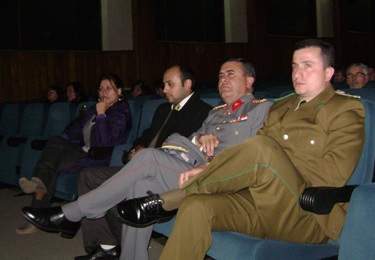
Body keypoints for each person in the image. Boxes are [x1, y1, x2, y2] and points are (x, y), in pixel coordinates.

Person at [117, 39, 365, 259]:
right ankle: (183, 197)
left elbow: (331, 175)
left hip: (304, 212)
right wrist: (207, 167)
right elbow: (248, 160)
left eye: (307, 65)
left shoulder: (346, 109)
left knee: (261, 147)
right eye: (294, 66)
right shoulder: (281, 107)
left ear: (328, 72)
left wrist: (279, 175)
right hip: (258, 204)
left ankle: (168, 200)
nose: (298, 73)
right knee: (197, 207)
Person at [20, 57, 273, 260]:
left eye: (231, 74)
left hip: (219, 179)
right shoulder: (216, 113)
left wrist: (208, 159)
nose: (223, 80)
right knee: (141, 187)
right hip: (188, 170)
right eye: (220, 75)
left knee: (151, 157)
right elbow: (189, 140)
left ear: (249, 80)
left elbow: (257, 153)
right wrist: (199, 140)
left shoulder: (262, 109)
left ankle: (72, 213)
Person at [77, 64, 212, 257]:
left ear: (187, 84)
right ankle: (106, 245)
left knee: (120, 186)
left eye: (169, 84)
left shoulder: (203, 112)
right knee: (88, 176)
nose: (164, 89)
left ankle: (87, 220)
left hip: (163, 173)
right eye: (164, 84)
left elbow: (185, 152)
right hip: (138, 165)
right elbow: (144, 137)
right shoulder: (163, 109)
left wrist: (148, 153)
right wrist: (134, 151)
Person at [16, 73, 132, 235]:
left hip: (100, 156)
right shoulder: (95, 108)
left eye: (109, 89)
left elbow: (104, 142)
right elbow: (76, 127)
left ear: (119, 91)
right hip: (82, 150)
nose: (104, 92)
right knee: (55, 144)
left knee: (53, 165)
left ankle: (39, 212)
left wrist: (101, 115)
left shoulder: (121, 112)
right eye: (101, 89)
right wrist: (63, 141)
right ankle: (38, 182)